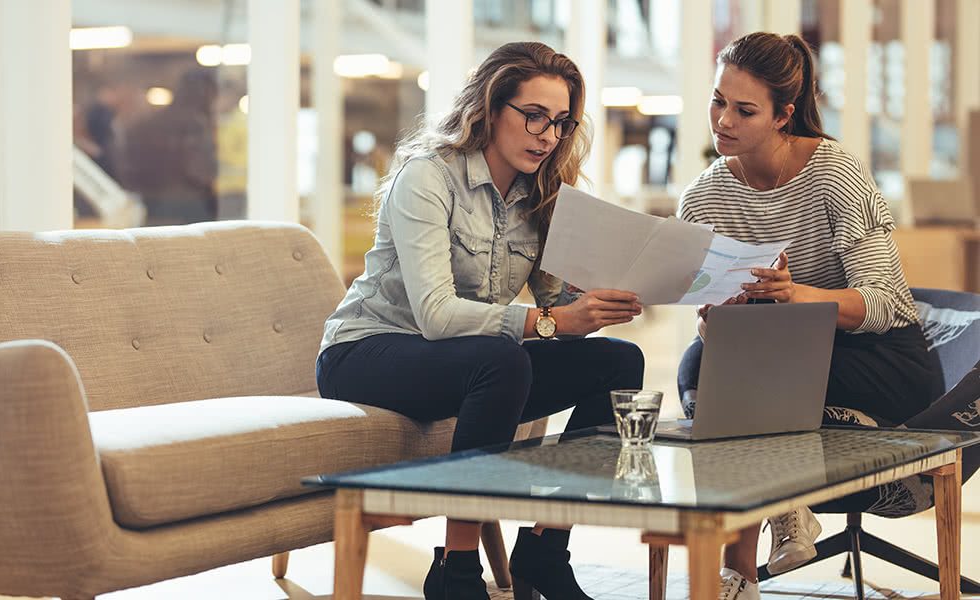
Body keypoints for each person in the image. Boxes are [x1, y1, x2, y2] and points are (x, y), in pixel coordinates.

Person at [316, 41, 645, 599]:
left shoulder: (541, 194)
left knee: (619, 363)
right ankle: (457, 568)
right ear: (491, 108)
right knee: (500, 357)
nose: (548, 135)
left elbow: (556, 299)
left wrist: (607, 290)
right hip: (368, 352)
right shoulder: (427, 177)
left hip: (466, 362)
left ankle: (545, 549)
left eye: (561, 122)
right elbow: (438, 317)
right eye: (534, 115)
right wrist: (554, 321)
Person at [675, 32, 945, 599]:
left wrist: (795, 295)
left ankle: (740, 566)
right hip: (775, 355)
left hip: (876, 358)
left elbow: (887, 302)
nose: (723, 119)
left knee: (743, 373)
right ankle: (771, 528)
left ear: (784, 115)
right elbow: (710, 318)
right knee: (699, 362)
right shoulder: (703, 198)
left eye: (744, 110)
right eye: (717, 100)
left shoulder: (834, 173)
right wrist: (713, 316)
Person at [121, 69, 218, 225]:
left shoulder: (149, 123)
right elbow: (200, 171)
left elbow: (131, 168)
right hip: (188, 205)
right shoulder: (194, 125)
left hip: (154, 205)